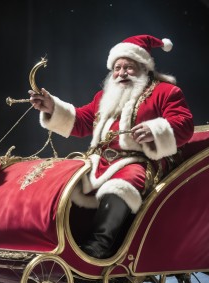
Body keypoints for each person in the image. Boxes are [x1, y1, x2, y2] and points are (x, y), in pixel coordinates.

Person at [29, 35, 194, 259]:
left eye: (129, 67)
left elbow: (184, 125)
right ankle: (59, 242)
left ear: (144, 68)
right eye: (117, 68)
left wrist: (154, 130)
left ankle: (98, 247)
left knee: (120, 186)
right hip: (99, 162)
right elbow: (81, 121)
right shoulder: (104, 97)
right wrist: (51, 107)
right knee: (63, 182)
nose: (121, 73)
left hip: (140, 162)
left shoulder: (165, 92)